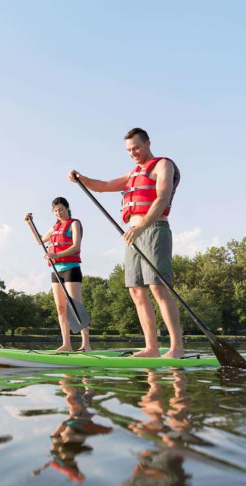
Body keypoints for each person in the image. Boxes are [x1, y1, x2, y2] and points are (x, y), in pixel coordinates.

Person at [69, 127, 183, 358]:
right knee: (136, 290)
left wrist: (140, 226)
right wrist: (82, 178)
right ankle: (151, 348)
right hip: (133, 235)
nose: (133, 153)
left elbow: (161, 198)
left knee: (158, 287)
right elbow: (102, 186)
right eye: (129, 150)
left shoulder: (163, 165)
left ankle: (176, 348)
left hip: (153, 229)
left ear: (148, 144)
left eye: (137, 148)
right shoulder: (132, 174)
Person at [25, 197, 91, 352]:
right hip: (56, 272)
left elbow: (76, 246)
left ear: (67, 208)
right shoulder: (55, 227)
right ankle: (66, 344)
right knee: (61, 308)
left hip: (71, 269)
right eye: (55, 211)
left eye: (61, 209)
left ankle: (86, 344)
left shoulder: (74, 223)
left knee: (75, 306)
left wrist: (56, 255)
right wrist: (29, 224)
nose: (58, 213)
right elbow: (40, 241)